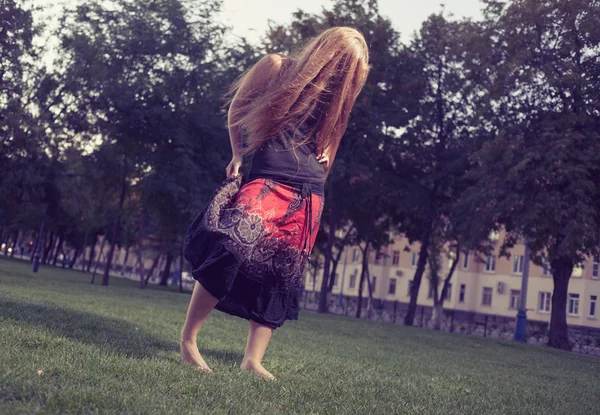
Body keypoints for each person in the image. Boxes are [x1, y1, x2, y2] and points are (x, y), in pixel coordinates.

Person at [180, 27, 370, 380]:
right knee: (231, 245)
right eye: (345, 69)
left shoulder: (337, 103)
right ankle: (188, 340)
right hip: (268, 179)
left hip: (310, 193)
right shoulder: (276, 67)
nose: (347, 81)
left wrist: (321, 179)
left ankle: (252, 359)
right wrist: (237, 154)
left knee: (280, 274)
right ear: (327, 55)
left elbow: (333, 144)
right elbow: (238, 107)